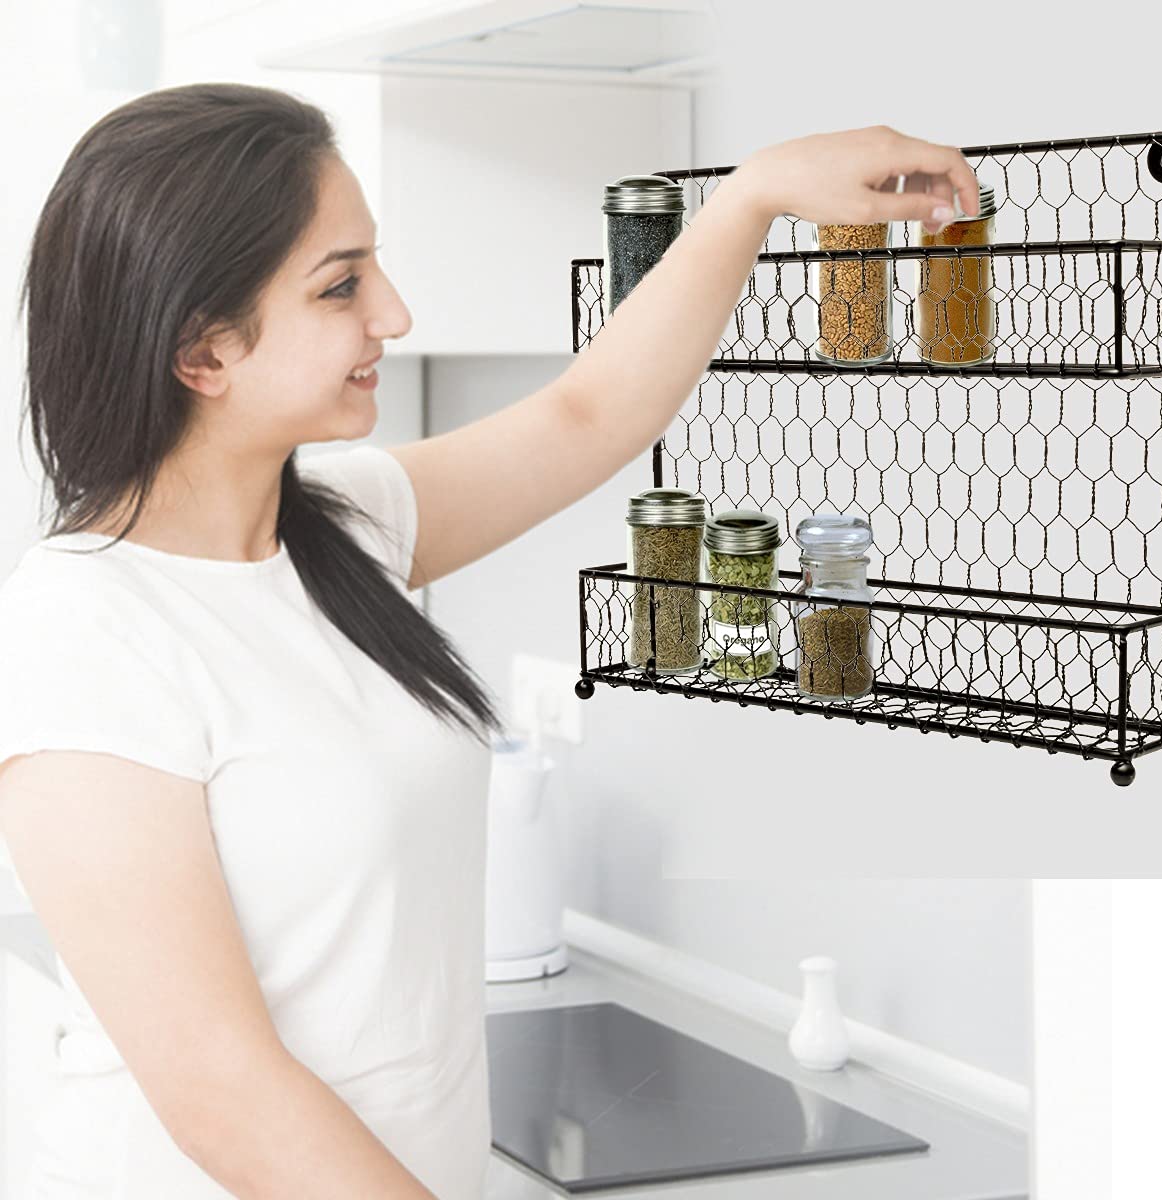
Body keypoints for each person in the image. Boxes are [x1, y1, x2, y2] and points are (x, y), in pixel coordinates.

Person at [0, 82, 977, 1199]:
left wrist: (752, 195)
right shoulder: (82, 628)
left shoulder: (346, 529)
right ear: (202, 353)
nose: (395, 314)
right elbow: (222, 1088)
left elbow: (593, 413)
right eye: (341, 286)